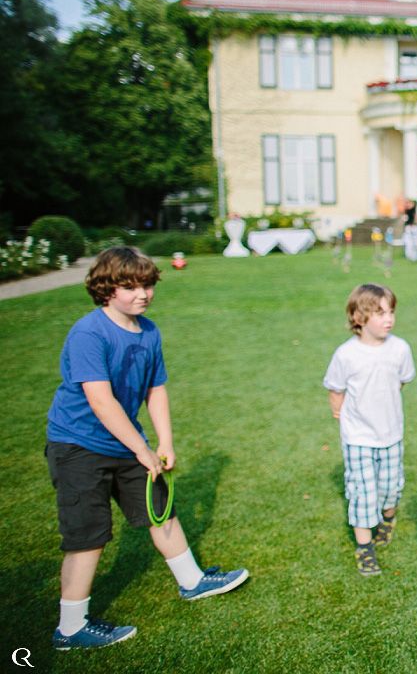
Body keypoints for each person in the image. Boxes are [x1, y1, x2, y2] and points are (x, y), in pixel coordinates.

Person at [45, 247, 248, 651]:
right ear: (105, 288)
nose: (143, 293)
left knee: (158, 506)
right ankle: (70, 627)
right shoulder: (89, 333)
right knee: (89, 534)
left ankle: (192, 582)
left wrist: (165, 442)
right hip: (79, 444)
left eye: (148, 284)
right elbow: (101, 401)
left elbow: (155, 389)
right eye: (131, 286)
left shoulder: (149, 331)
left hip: (126, 440)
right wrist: (141, 448)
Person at [323, 284, 416, 576]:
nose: (388, 318)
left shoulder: (400, 348)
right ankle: (365, 548)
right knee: (363, 493)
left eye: (390, 311)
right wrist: (339, 412)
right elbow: (335, 389)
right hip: (358, 437)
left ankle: (388, 518)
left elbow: (400, 381)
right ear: (359, 317)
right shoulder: (346, 354)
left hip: (390, 434)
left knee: (390, 488)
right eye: (379, 313)